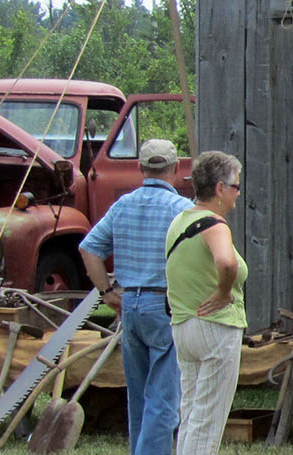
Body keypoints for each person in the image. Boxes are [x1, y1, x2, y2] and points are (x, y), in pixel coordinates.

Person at [77, 139, 193, 455]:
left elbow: (89, 248)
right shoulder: (183, 210)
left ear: (140, 168)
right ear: (176, 169)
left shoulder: (123, 205)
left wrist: (106, 292)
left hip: (130, 304)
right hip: (165, 304)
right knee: (164, 397)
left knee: (139, 395)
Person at [163, 150, 248, 455]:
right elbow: (226, 262)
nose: (238, 192)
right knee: (208, 420)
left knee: (192, 415)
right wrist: (224, 292)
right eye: (235, 186)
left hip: (184, 327)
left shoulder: (180, 220)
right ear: (219, 189)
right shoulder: (214, 224)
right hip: (215, 328)